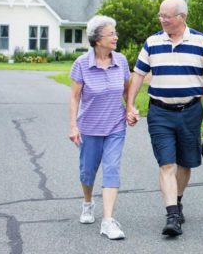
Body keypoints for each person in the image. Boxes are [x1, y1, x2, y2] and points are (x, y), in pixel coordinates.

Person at [126, 0, 203, 236]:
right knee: (166, 163)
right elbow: (138, 75)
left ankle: (177, 201)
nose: (162, 20)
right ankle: (172, 215)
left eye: (166, 16)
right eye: (160, 15)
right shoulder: (152, 42)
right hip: (159, 112)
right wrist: (130, 104)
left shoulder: (200, 41)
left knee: (186, 163)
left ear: (182, 17)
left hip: (190, 112)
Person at [68, 15, 131, 240]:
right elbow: (75, 97)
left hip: (115, 126)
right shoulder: (82, 64)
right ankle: (87, 203)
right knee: (88, 172)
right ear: (97, 40)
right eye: (111, 34)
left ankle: (107, 221)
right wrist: (73, 126)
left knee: (112, 169)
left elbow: (127, 90)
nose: (116, 37)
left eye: (115, 33)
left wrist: (130, 109)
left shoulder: (121, 61)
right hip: (89, 128)